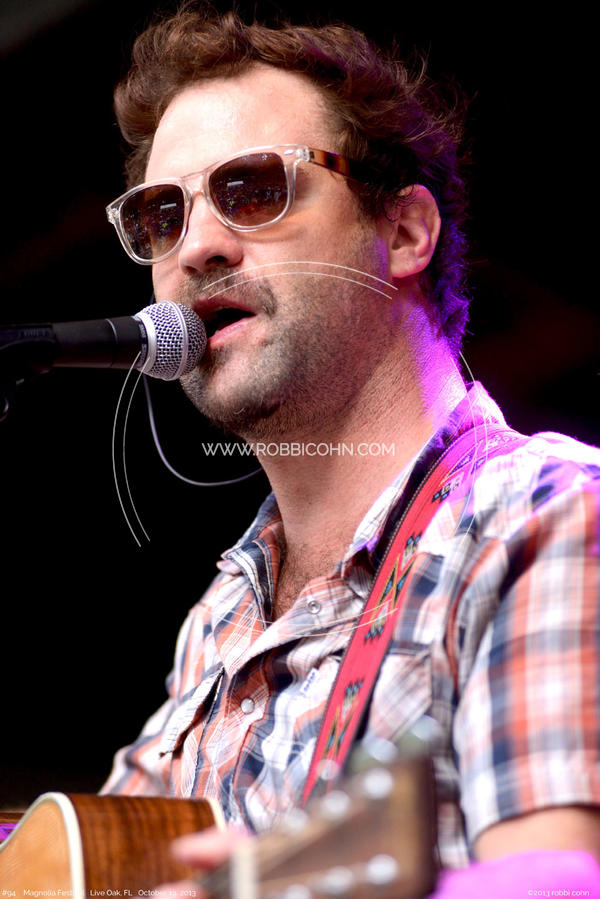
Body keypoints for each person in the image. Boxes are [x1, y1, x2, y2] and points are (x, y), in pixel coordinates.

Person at [101, 3, 600, 894]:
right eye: (163, 215)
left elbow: (560, 880)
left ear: (403, 233)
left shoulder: (546, 515)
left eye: (255, 189)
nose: (197, 246)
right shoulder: (221, 618)